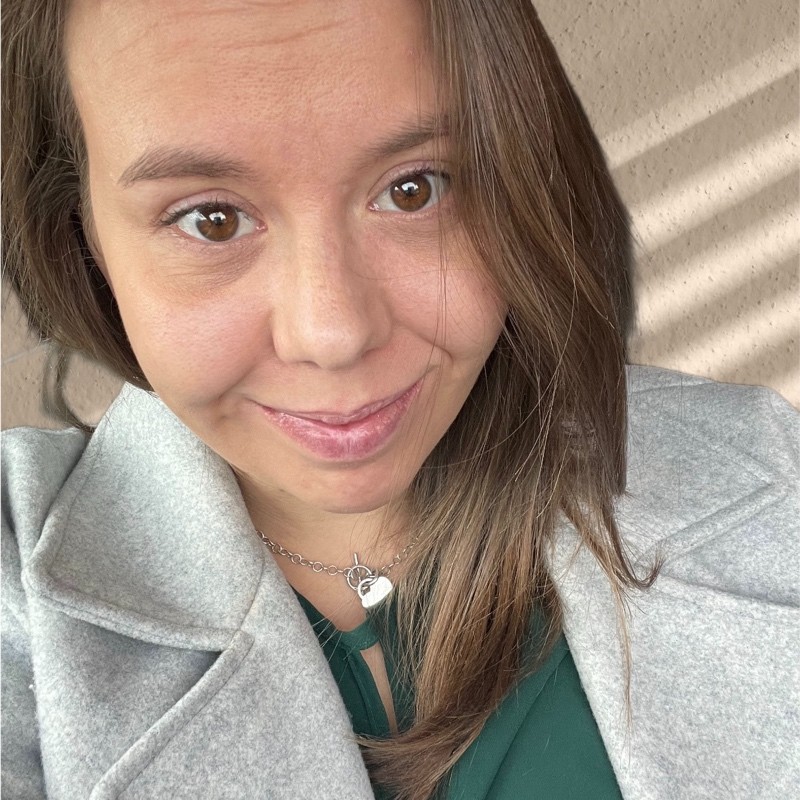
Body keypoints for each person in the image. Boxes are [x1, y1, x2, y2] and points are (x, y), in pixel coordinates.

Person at [2, 1, 797, 799]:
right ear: (84, 238)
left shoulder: (773, 471)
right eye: (211, 221)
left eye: (415, 190)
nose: (334, 333)